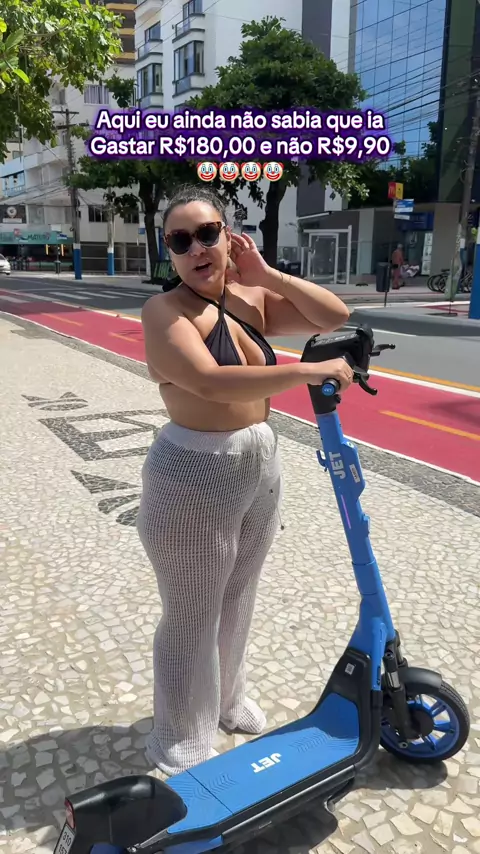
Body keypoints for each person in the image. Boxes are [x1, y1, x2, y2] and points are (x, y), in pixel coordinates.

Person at [137, 184, 353, 776]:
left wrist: (268, 275)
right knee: (191, 611)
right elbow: (209, 381)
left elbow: (335, 315)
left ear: (229, 238)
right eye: (180, 240)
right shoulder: (165, 311)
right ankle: (179, 732)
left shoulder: (248, 298)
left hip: (257, 463)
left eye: (208, 234)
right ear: (169, 250)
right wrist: (306, 371)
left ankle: (227, 701)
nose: (196, 249)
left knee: (237, 597)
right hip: (193, 471)